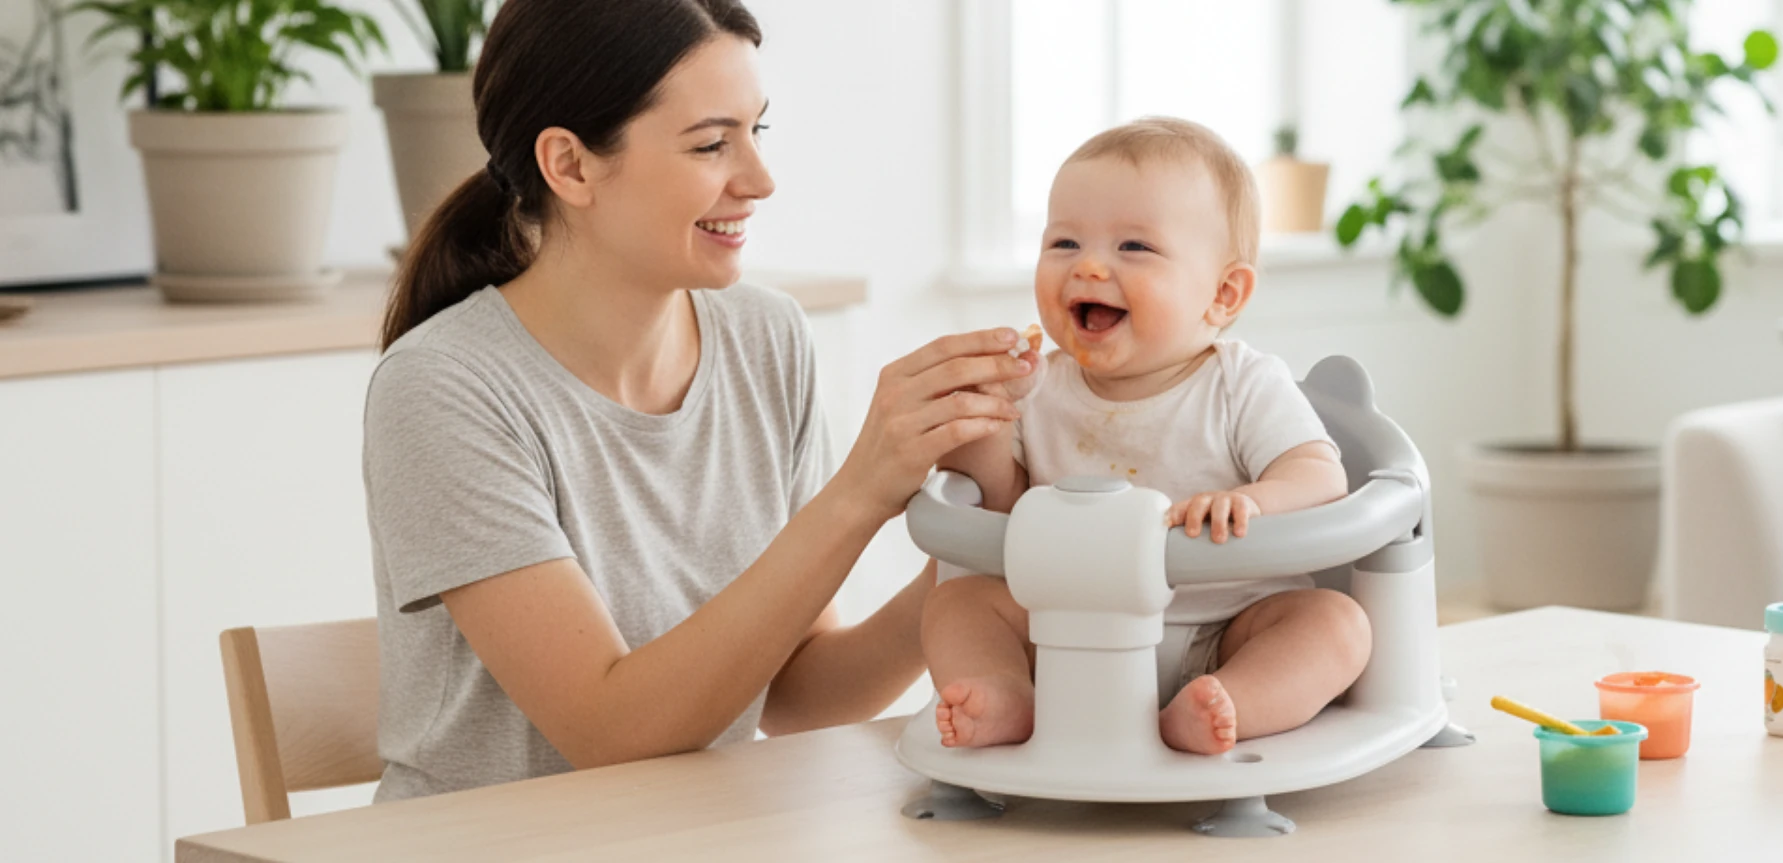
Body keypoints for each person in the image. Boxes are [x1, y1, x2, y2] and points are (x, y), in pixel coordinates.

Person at [362, 0, 1032, 800]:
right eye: (713, 143)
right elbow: (609, 732)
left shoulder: (765, 338)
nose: (759, 179)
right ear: (570, 165)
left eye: (758, 132)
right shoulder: (446, 386)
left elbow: (799, 695)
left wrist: (989, 556)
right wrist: (860, 491)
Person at [922, 118, 1372, 756]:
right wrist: (979, 425)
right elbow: (1001, 503)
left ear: (1222, 293)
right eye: (1065, 243)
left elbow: (1321, 475)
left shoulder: (1242, 383)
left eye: (1133, 247)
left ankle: (1229, 703)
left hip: (1227, 631)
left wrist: (1253, 501)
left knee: (1337, 625)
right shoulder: (1040, 388)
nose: (1091, 267)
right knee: (957, 604)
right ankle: (1007, 693)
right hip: (1066, 635)